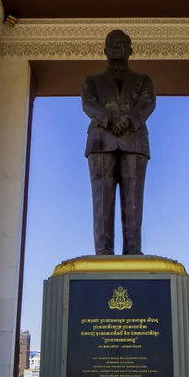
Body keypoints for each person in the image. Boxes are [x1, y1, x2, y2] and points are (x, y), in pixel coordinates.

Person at [81, 29, 156, 255]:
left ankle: (133, 250)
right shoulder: (92, 81)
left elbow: (148, 103)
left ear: (131, 50)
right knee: (101, 199)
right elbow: (88, 105)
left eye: (122, 43)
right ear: (104, 50)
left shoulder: (143, 81)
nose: (116, 46)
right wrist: (111, 118)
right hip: (101, 142)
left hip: (134, 141)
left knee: (133, 199)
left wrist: (129, 120)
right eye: (112, 43)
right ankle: (103, 251)